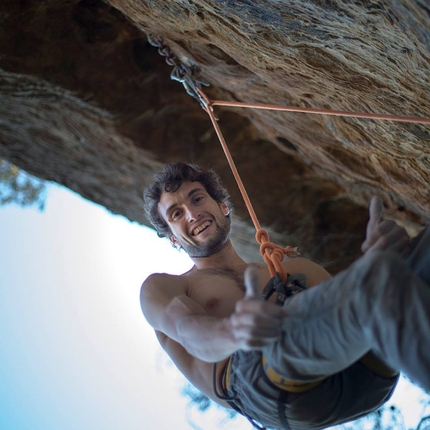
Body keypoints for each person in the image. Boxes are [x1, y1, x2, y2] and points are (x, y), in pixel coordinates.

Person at [141, 162, 430, 430]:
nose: (192, 214)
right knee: (382, 274)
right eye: (176, 214)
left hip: (364, 378)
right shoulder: (165, 287)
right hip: (267, 384)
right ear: (173, 238)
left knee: (408, 260)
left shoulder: (296, 269)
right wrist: (233, 331)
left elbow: (352, 307)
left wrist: (387, 258)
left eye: (197, 198)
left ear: (223, 206)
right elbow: (187, 330)